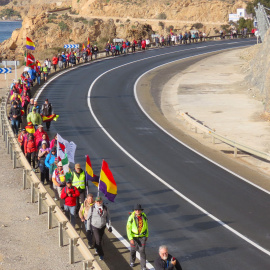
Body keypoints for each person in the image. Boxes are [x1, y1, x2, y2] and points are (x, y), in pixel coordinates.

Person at [86, 196, 112, 260]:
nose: (98, 202)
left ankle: (96, 247)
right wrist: (88, 229)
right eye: (97, 201)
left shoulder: (105, 208)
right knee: (98, 240)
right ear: (95, 202)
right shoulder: (92, 208)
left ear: (102, 201)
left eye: (100, 201)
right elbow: (88, 219)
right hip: (95, 226)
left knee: (98, 239)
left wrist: (110, 226)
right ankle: (101, 254)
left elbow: (108, 217)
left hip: (102, 226)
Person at [127, 204, 148, 270]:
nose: (137, 211)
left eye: (139, 210)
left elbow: (146, 226)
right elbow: (128, 229)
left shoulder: (144, 216)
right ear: (134, 210)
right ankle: (132, 261)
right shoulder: (131, 217)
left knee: (142, 251)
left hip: (142, 237)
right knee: (133, 250)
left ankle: (143, 267)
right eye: (136, 210)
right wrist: (130, 239)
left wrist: (146, 235)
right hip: (134, 237)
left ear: (141, 210)